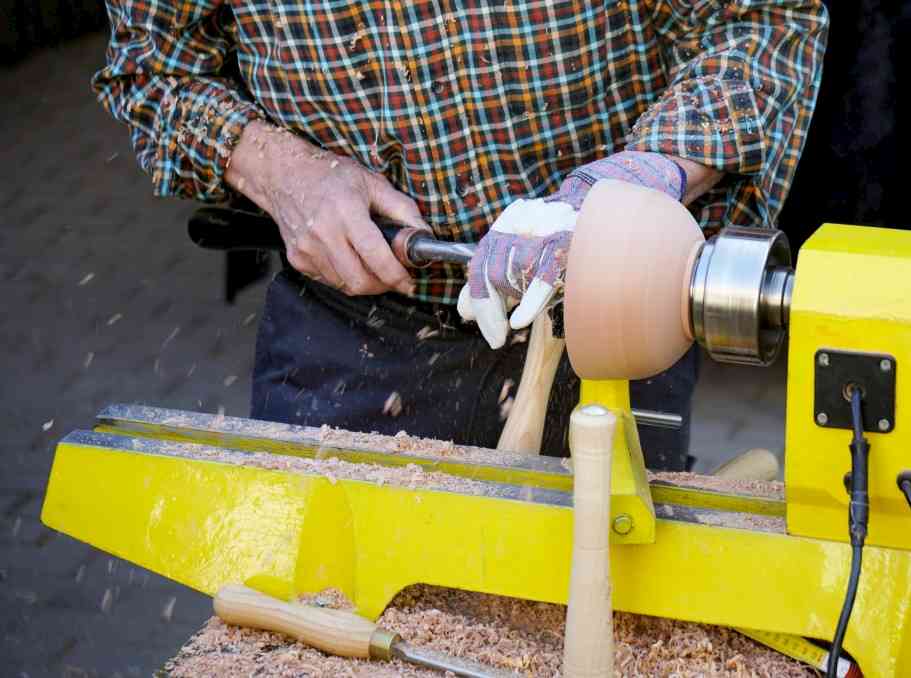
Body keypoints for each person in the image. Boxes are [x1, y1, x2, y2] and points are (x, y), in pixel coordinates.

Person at [93, 0, 828, 470]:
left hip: (611, 311)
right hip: (351, 329)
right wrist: (280, 169)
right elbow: (151, 71)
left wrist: (641, 175)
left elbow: (760, 19)